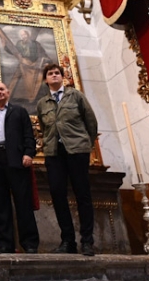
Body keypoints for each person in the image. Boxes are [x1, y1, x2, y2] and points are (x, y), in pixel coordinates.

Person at [36, 63, 98, 256]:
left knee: (82, 194)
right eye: (50, 74)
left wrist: (86, 144)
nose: (54, 75)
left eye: (57, 73)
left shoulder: (76, 96)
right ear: (46, 79)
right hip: (54, 153)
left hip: (77, 151)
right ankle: (68, 241)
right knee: (57, 194)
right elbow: (44, 129)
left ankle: (87, 241)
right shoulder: (42, 104)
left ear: (62, 77)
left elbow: (91, 122)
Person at [0, 82, 39, 254]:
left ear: (8, 92)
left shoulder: (19, 111)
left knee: (23, 203)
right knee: (1, 205)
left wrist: (29, 153)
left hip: (17, 161)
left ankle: (29, 243)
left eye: (1, 90)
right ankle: (5, 244)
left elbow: (29, 134)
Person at [2, 28, 52, 113]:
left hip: (34, 66)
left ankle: (35, 102)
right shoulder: (19, 44)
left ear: (28, 35)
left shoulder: (36, 44)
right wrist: (5, 46)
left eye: (24, 35)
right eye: (22, 35)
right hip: (23, 65)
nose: (23, 36)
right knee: (16, 81)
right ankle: (12, 101)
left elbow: (43, 54)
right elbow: (14, 52)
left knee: (38, 82)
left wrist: (47, 62)